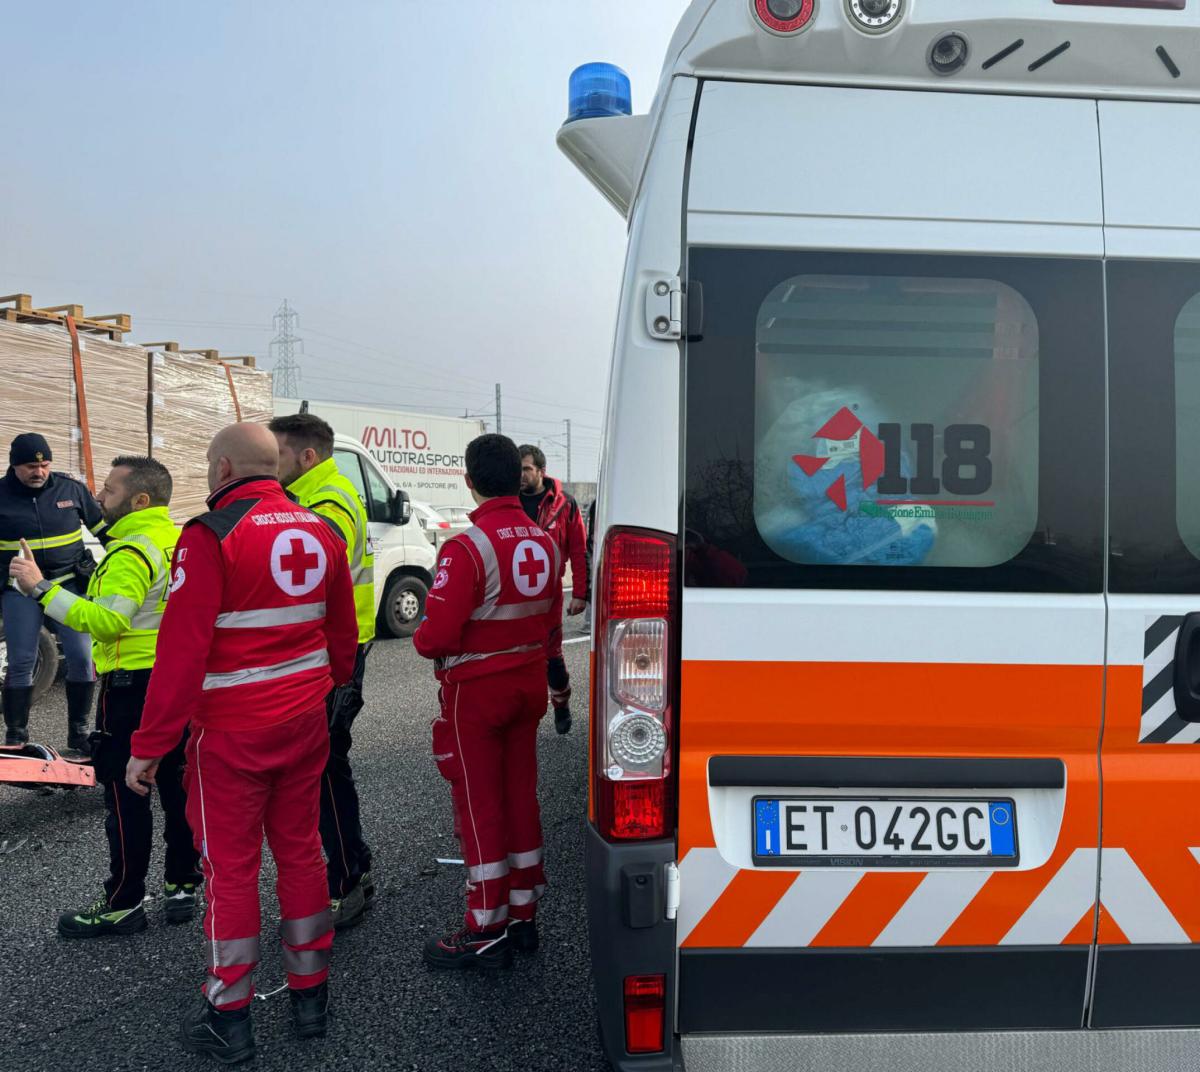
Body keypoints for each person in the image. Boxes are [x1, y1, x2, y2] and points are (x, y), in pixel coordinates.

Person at [125, 423, 357, 1064]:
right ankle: (311, 995)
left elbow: (179, 653)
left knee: (231, 870)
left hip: (231, 732)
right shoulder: (321, 530)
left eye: (206, 463)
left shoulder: (209, 535)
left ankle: (230, 1014)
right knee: (303, 853)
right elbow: (342, 638)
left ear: (224, 466)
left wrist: (149, 744)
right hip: (304, 721)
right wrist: (321, 693)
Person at [9, 457, 202, 937]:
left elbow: (108, 620)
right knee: (180, 787)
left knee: (125, 793)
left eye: (109, 489)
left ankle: (123, 902)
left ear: (139, 499)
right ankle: (183, 885)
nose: (98, 496)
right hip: (181, 682)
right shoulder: (178, 540)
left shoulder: (131, 552)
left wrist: (40, 589)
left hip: (132, 687)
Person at [414, 434, 559, 970]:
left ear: (469, 481)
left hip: (478, 694)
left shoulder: (468, 545)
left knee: (479, 807)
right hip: (526, 687)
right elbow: (550, 623)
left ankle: (485, 926)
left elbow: (436, 636)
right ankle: (523, 915)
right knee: (522, 798)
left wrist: (425, 635)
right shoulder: (544, 539)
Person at [269, 412, 376, 930]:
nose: (272, 464)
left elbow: (308, 577)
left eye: (279, 454)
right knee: (323, 764)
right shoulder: (307, 499)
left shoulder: (328, 503)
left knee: (324, 765)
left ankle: (347, 880)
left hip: (336, 653)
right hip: (330, 649)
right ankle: (351, 863)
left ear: (307, 456)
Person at [0, 433, 107, 753]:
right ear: (14, 465)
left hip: (68, 585)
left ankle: (78, 732)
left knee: (81, 657)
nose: (39, 472)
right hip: (21, 589)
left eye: (45, 464)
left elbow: (106, 533)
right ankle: (16, 736)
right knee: (21, 660)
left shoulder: (70, 489)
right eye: (31, 466)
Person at [517, 445, 587, 734]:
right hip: (513, 593)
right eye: (517, 469)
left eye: (526, 469)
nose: (520, 475)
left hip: (549, 594)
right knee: (515, 656)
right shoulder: (509, 502)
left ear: (541, 471)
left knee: (551, 655)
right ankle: (521, 715)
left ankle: (561, 703)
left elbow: (579, 549)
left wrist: (581, 593)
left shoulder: (564, 505)